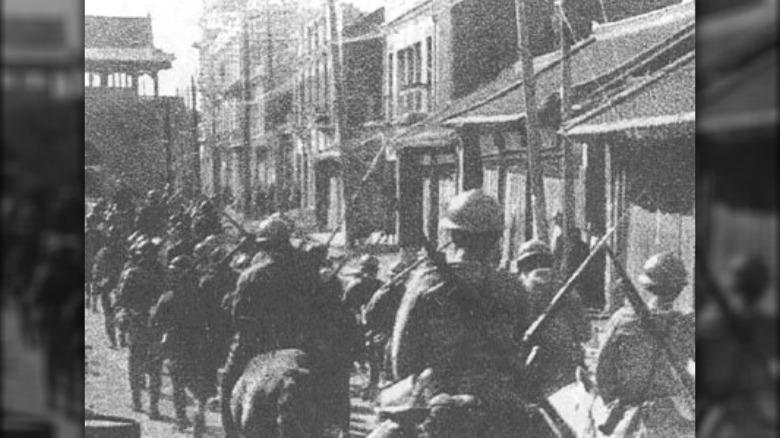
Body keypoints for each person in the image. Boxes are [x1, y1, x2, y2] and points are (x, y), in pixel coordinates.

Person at [381, 190, 545, 438]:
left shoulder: (426, 282)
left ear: (453, 235)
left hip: (442, 408)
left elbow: (401, 360)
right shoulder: (511, 286)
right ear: (497, 238)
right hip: (501, 407)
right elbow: (523, 344)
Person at [217, 216, 320, 438]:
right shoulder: (306, 271)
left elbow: (239, 319)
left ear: (265, 246)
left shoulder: (250, 276)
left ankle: (231, 433)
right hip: (300, 343)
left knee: (227, 384)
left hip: (258, 346)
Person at [595, 251, 695, 437]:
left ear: (647, 286)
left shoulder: (622, 319)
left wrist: (614, 405)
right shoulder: (687, 325)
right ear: (680, 289)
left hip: (632, 418)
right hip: (675, 418)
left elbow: (603, 371)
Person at [513, 239, 590, 397]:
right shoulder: (567, 291)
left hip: (535, 372)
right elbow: (585, 333)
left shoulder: (514, 293)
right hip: (561, 372)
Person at [149, 255, 209, 432]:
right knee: (196, 381)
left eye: (174, 273)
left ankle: (181, 419)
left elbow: (155, 323)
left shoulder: (168, 297)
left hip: (176, 346)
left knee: (178, 384)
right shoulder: (201, 294)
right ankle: (200, 413)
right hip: (198, 344)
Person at [113, 239, 166, 417]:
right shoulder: (162, 272)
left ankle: (139, 402)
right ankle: (152, 406)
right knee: (154, 367)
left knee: (137, 364)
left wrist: (126, 315)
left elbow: (120, 300)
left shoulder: (132, 273)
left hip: (141, 325)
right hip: (152, 325)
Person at [91, 226, 126, 349]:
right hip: (115, 287)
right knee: (114, 314)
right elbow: (97, 270)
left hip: (114, 287)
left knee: (112, 315)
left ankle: (116, 340)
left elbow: (97, 270)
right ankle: (117, 340)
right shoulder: (120, 251)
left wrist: (96, 286)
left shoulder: (107, 252)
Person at [343, 255, 383, 324]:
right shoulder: (354, 286)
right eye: (369, 270)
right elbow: (345, 307)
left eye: (374, 270)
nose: (372, 274)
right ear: (362, 271)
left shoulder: (380, 285)